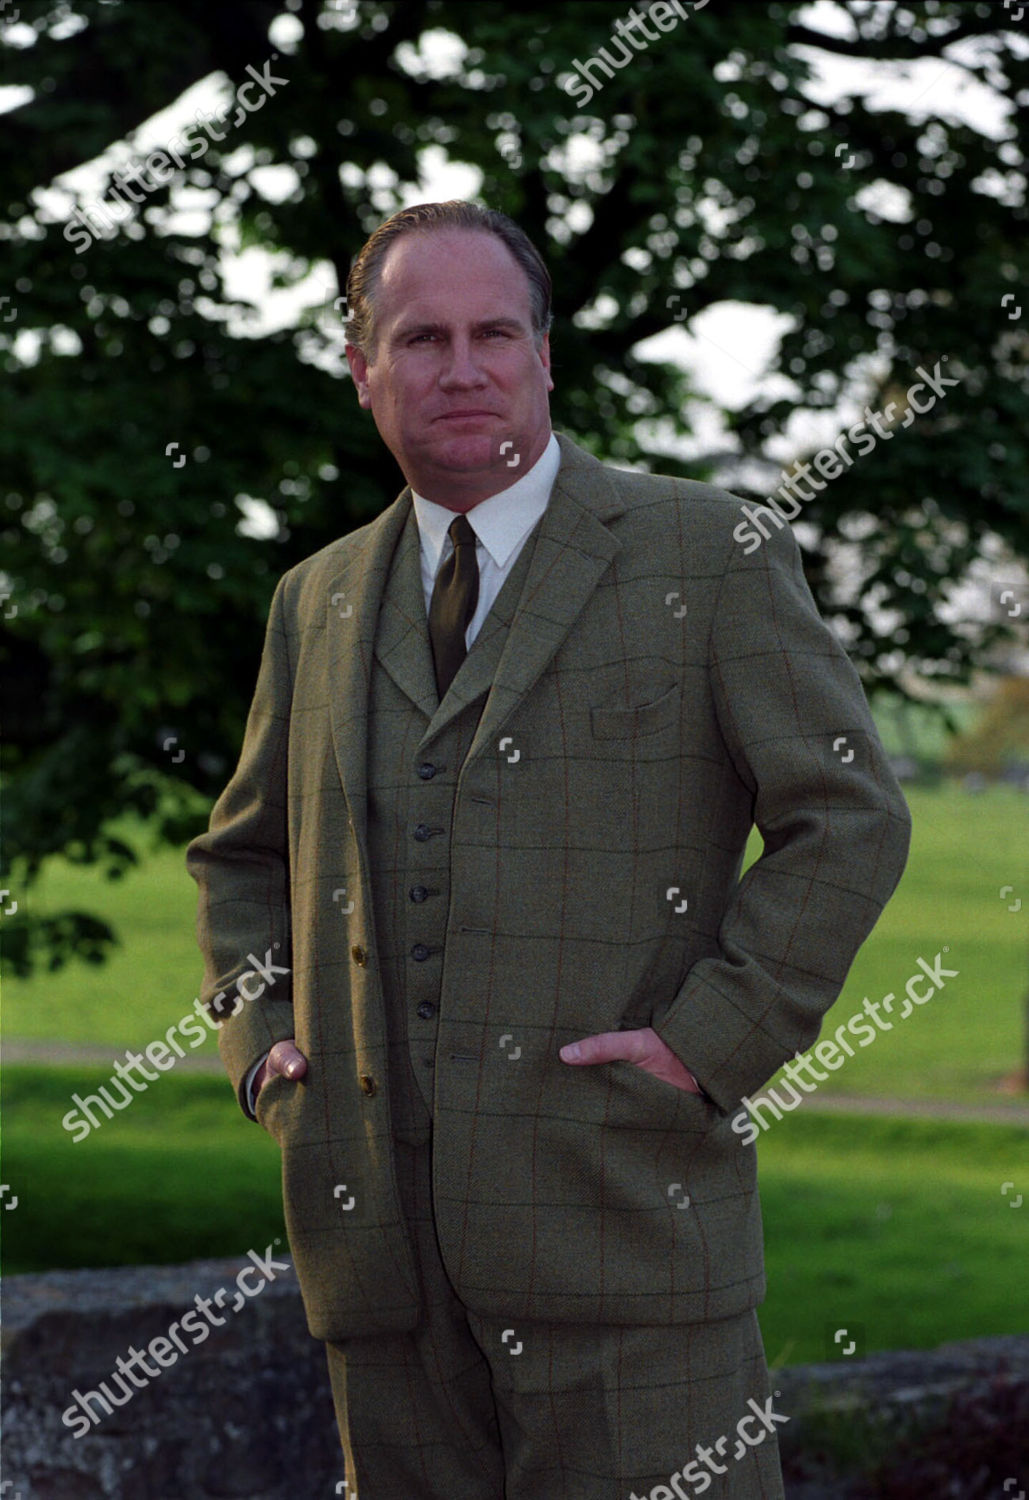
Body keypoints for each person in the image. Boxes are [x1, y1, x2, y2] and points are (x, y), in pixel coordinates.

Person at [186, 199, 911, 1499]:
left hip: (626, 1233)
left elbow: (846, 813)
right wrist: (267, 1043)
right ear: (363, 371)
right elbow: (243, 858)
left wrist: (713, 1039)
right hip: (379, 1273)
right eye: (418, 340)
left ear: (543, 358)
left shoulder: (706, 551)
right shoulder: (317, 597)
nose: (459, 369)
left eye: (492, 334)